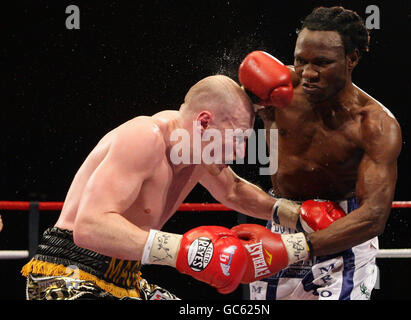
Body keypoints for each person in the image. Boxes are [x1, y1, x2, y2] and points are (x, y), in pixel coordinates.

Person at [21, 75, 277, 300]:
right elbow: (89, 227)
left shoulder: (201, 153)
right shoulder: (146, 136)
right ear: (203, 123)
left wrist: (296, 214)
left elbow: (233, 191)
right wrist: (186, 251)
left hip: (125, 280)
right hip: (69, 274)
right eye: (237, 139)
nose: (242, 151)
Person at [236, 6, 402, 300]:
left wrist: (300, 246)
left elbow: (374, 216)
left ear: (351, 59)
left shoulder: (374, 124)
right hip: (280, 220)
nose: (307, 73)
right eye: (301, 60)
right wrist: (239, 92)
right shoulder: (278, 88)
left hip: (344, 234)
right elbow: (216, 109)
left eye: (322, 63)